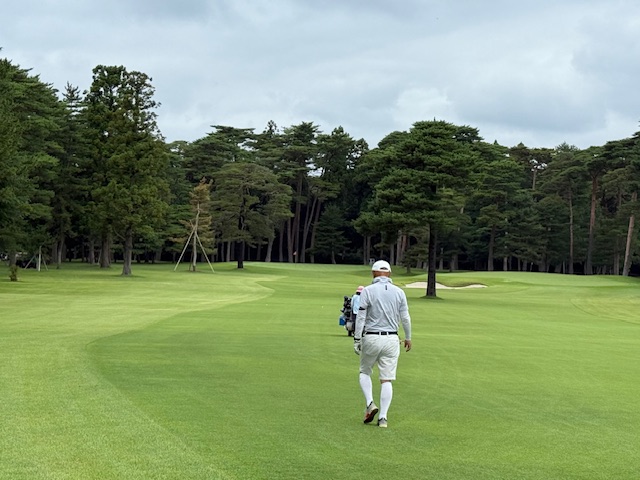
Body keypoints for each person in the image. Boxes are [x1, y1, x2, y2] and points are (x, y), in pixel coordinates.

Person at [353, 260, 412, 428]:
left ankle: (370, 403)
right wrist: (408, 337)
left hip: (372, 337)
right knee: (386, 380)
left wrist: (357, 339)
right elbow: (405, 318)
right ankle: (383, 418)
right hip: (392, 339)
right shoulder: (399, 292)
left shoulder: (367, 291)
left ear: (373, 273)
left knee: (365, 371)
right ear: (389, 274)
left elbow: (361, 317)